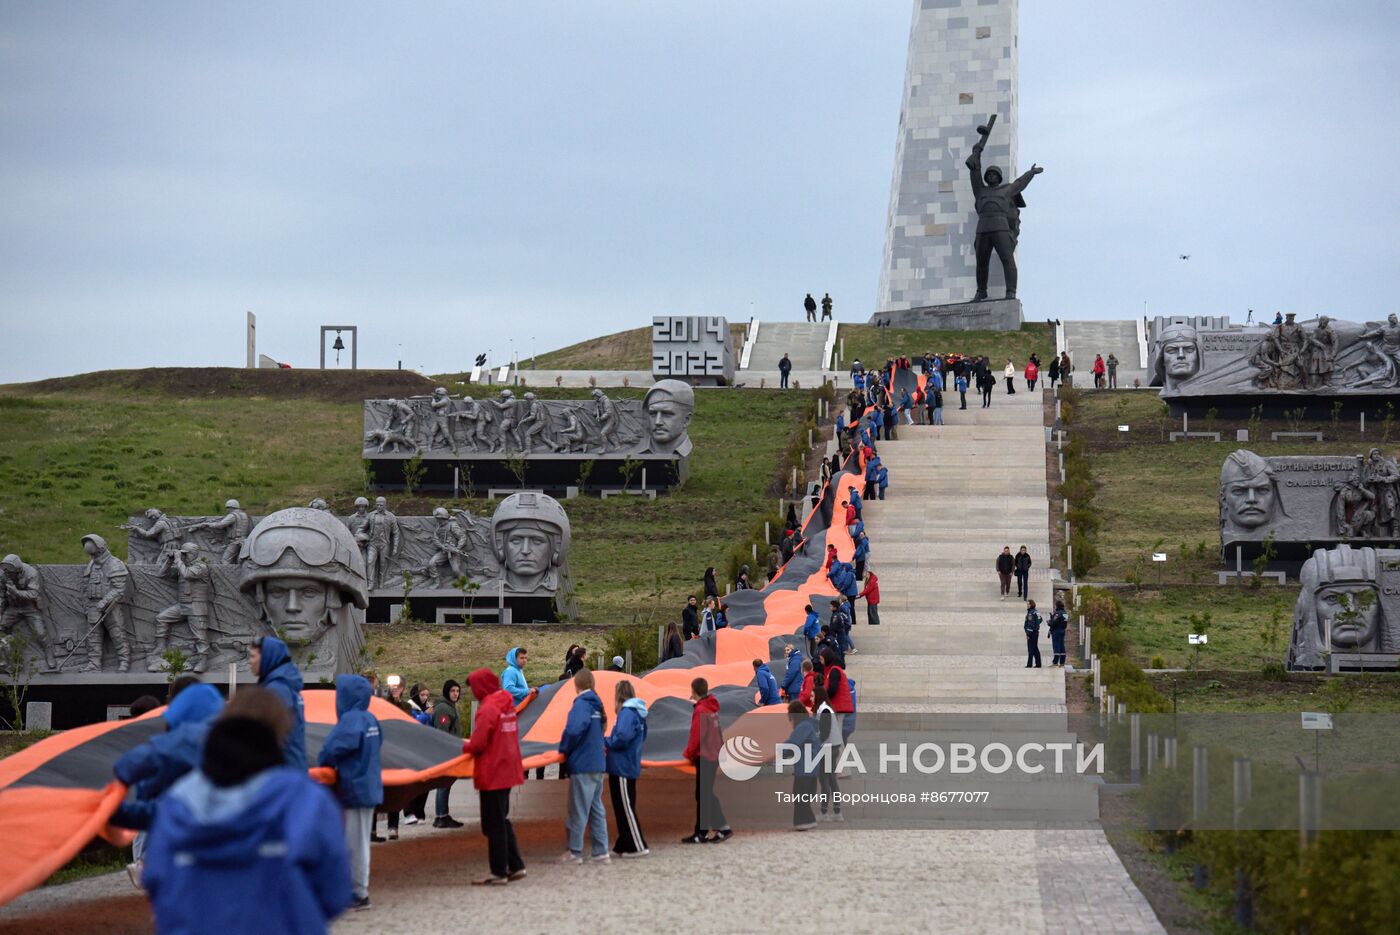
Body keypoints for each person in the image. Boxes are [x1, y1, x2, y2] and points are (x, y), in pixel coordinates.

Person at [143, 695, 353, 931]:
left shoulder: (176, 802)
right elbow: (336, 893)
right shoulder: (306, 799)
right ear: (283, 732)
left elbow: (156, 882)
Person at [111, 683, 224, 887]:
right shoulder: (234, 743)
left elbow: (128, 769)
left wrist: (116, 812)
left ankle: (144, 863)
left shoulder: (173, 743)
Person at [316, 675, 382, 911]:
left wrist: (323, 764)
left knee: (353, 843)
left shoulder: (351, 721)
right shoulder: (371, 719)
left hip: (353, 788)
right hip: (369, 788)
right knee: (362, 842)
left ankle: (358, 893)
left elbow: (332, 748)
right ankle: (359, 889)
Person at [464, 667, 527, 884]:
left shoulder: (488, 708)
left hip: (492, 772)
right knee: (501, 819)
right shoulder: (506, 704)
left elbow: (479, 743)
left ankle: (499, 871)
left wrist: (463, 748)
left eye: (473, 686)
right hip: (507, 769)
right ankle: (516, 865)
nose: (472, 691)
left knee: (493, 823)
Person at [558, 669, 609, 864]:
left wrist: (564, 749)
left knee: (578, 808)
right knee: (596, 808)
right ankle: (601, 850)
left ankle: (574, 851)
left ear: (576, 684)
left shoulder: (582, 704)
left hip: (583, 763)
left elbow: (573, 730)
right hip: (597, 762)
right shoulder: (597, 704)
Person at [680, 678, 731, 844]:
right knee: (705, 793)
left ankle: (706, 831)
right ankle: (718, 827)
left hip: (706, 756)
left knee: (703, 794)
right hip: (713, 754)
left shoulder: (701, 710)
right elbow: (717, 732)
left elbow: (697, 736)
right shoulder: (712, 708)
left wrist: (688, 753)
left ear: (694, 691)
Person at [604, 680, 650, 857]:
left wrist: (606, 741)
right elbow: (641, 735)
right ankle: (623, 843)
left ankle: (638, 846)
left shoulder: (626, 713)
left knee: (625, 807)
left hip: (621, 765)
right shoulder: (638, 713)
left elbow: (622, 737)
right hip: (630, 763)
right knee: (624, 805)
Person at [249, 636, 306, 771]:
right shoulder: (287, 685)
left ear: (268, 657)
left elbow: (272, 734)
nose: (250, 662)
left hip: (283, 770)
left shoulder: (276, 689)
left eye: (253, 656)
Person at [431, 680, 465, 828]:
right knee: (444, 784)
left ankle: (442, 815)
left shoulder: (449, 707)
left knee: (445, 784)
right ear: (446, 692)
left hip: (450, 751)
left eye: (457, 691)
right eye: (452, 691)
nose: (455, 694)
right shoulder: (444, 709)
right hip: (446, 752)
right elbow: (442, 732)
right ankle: (441, 816)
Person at [783, 701, 820, 830]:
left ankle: (803, 822)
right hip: (813, 767)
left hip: (805, 766)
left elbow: (792, 743)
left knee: (799, 794)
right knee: (804, 795)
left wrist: (778, 752)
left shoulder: (803, 726)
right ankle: (809, 820)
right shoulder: (812, 725)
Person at [812, 686, 843, 823]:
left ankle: (829, 812)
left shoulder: (824, 711)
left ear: (818, 697)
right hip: (831, 747)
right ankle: (834, 811)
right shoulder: (825, 709)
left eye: (813, 696)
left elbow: (824, 733)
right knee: (829, 780)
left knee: (827, 780)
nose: (811, 698)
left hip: (828, 748)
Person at [1048, 599, 1069, 667]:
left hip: (1056, 631)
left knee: (1056, 646)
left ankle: (1055, 662)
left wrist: (1049, 622)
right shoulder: (1065, 613)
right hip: (1062, 630)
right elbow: (1064, 623)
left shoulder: (1058, 613)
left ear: (1057, 606)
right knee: (1061, 646)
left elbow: (1054, 622)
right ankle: (1062, 662)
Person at [1024, 599, 1043, 668]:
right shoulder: (1036, 612)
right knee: (1035, 648)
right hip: (1036, 632)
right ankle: (1038, 664)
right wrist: (1036, 625)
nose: (1027, 605)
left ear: (1031, 605)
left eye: (1028, 604)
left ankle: (1029, 664)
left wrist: (1028, 634)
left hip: (1032, 633)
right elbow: (1040, 619)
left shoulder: (1031, 613)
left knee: (1030, 649)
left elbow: (1030, 624)